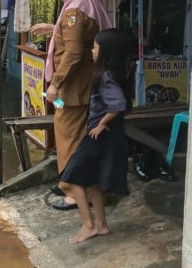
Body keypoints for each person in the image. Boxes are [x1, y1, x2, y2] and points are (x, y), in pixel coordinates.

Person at [33, 0, 113, 210]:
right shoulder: (88, 0)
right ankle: (72, 183)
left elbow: (75, 51)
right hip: (84, 87)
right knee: (72, 130)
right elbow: (80, 35)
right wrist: (54, 28)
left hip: (72, 89)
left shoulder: (74, 11)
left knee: (70, 135)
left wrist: (56, 83)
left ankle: (77, 193)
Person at [58, 29, 133, 244]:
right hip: (106, 136)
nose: (91, 51)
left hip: (100, 135)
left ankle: (88, 225)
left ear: (105, 52)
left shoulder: (107, 76)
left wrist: (101, 123)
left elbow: (118, 105)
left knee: (71, 178)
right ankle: (101, 225)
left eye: (95, 47)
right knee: (93, 182)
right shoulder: (114, 73)